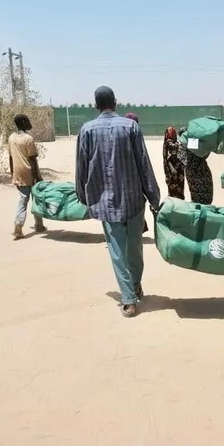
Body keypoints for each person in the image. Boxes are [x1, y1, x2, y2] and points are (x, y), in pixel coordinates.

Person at [76, 86, 160, 318]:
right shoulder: (130, 126)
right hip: (133, 198)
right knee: (134, 247)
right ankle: (132, 288)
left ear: (96, 105)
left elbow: (81, 167)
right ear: (115, 102)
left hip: (104, 201)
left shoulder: (87, 130)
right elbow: (144, 164)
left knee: (117, 251)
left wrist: (82, 195)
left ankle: (129, 296)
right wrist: (153, 195)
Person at [8, 114, 46, 240]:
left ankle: (21, 225)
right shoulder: (28, 139)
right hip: (29, 172)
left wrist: (13, 173)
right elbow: (33, 160)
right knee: (36, 198)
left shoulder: (11, 138)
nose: (30, 124)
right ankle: (38, 224)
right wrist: (38, 177)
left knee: (23, 199)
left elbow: (11, 157)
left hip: (18, 173)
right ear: (23, 122)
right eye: (28, 121)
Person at [162, 127, 185, 199]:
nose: (175, 134)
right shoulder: (168, 143)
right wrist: (172, 169)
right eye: (173, 133)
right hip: (172, 170)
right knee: (173, 188)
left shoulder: (176, 143)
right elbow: (167, 158)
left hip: (179, 169)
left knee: (180, 188)